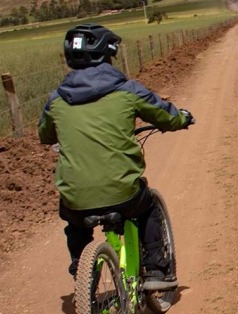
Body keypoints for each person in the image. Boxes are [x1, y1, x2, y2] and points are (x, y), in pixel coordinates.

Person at [39, 24, 194, 290]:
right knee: (148, 208)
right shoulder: (127, 90)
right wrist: (183, 119)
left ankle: (82, 273)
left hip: (76, 198)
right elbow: (166, 116)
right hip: (123, 193)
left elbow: (45, 135)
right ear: (107, 56)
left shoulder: (56, 100)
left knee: (75, 223)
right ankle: (156, 270)